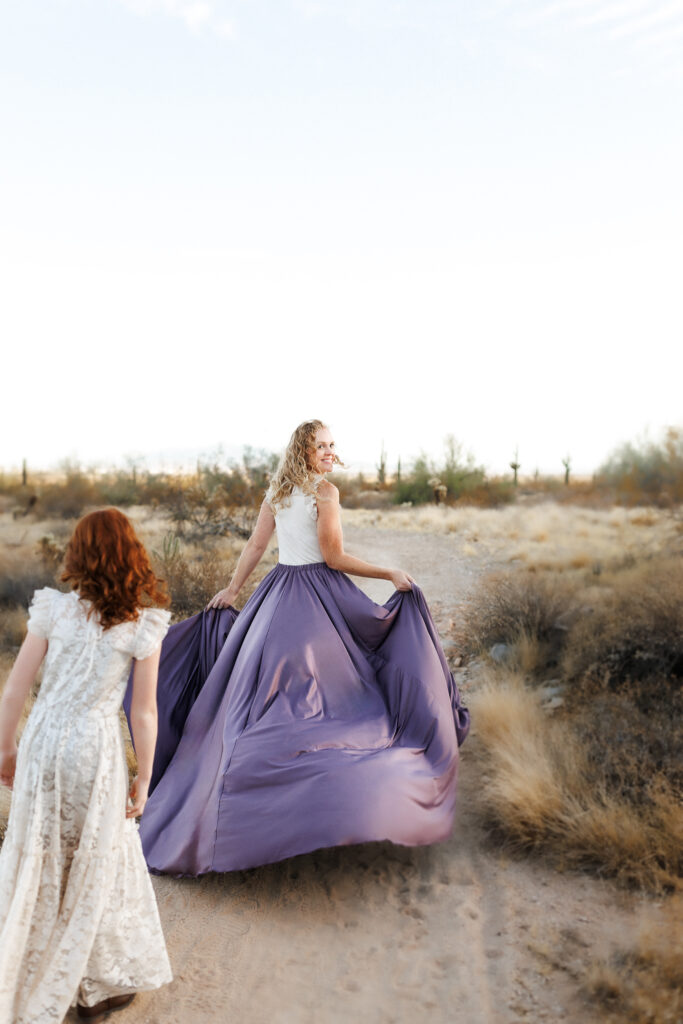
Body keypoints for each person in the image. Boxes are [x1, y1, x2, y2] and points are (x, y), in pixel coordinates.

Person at [134, 420, 470, 876]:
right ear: (303, 450)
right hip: (313, 596)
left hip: (275, 597)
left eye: (333, 445)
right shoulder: (324, 493)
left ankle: (243, 787)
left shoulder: (277, 490)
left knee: (258, 694)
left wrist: (235, 589)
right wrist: (388, 572)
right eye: (322, 446)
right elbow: (332, 558)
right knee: (331, 694)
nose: (330, 452)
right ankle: (314, 784)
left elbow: (257, 546)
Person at [0, 509, 173, 1024]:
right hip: (93, 752)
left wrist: (5, 748)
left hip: (45, 739)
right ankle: (94, 988)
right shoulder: (142, 625)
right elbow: (142, 712)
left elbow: (15, 688)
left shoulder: (53, 611)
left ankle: (24, 960)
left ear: (78, 554)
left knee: (38, 850)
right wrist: (145, 774)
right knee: (95, 856)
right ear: (131, 555)